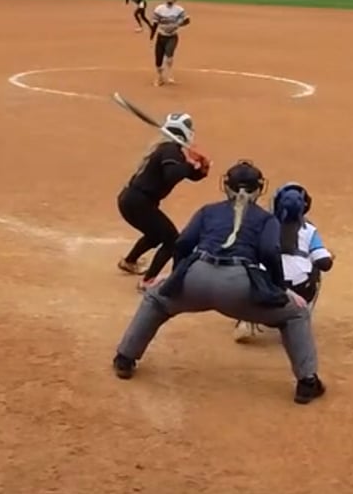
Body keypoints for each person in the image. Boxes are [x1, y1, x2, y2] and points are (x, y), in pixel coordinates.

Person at [112, 159, 328, 405]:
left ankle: (124, 359)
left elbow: (183, 244)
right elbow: (270, 253)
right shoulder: (266, 219)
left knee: (155, 299)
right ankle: (307, 383)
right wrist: (280, 291)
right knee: (296, 314)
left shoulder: (208, 210)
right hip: (239, 286)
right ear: (260, 189)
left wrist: (175, 278)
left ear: (226, 186)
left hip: (196, 277)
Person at [116, 111, 209, 288]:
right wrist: (190, 163)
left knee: (155, 234)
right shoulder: (170, 150)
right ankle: (147, 281)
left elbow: (187, 174)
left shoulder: (170, 149)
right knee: (172, 240)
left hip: (132, 200)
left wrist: (200, 169)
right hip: (139, 202)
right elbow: (172, 175)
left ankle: (129, 262)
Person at [234, 181, 333, 343]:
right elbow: (324, 263)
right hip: (298, 295)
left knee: (248, 266)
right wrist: (328, 256)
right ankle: (300, 319)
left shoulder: (262, 225)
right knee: (314, 268)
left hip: (266, 296)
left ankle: (245, 320)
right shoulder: (309, 230)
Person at [148, 0, 190, 86]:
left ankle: (170, 75)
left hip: (172, 37)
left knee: (169, 56)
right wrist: (152, 35)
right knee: (158, 61)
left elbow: (187, 20)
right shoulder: (159, 9)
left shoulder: (179, 10)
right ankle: (160, 77)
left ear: (175, 0)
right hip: (161, 36)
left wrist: (177, 25)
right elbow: (155, 23)